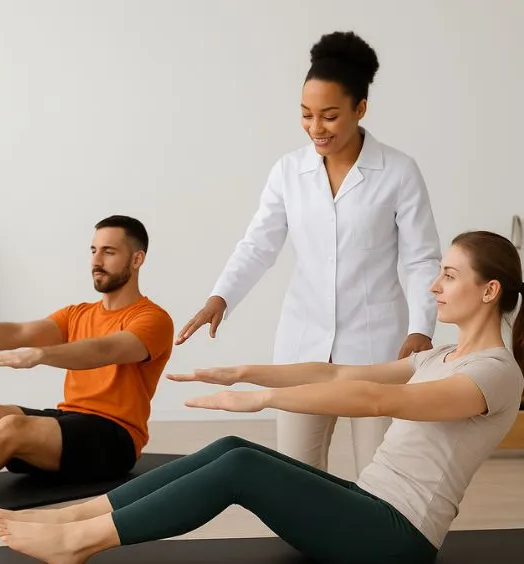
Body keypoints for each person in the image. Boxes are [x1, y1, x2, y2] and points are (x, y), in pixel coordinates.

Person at [0, 230, 524, 564]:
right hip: (369, 503)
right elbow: (340, 370)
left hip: (397, 535)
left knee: (241, 467)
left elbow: (378, 399)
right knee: (231, 447)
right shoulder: (440, 357)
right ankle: (75, 515)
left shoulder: (495, 373)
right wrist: (246, 369)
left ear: (489, 290)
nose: (435, 287)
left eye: (449, 276)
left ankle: (79, 544)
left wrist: (264, 399)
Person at [175, 31, 442, 475]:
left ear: (360, 109)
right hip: (303, 342)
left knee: (380, 473)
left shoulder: (398, 171)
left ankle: (372, 545)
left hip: (379, 348)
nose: (316, 128)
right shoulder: (288, 171)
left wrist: (420, 328)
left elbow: (420, 259)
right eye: (306, 115)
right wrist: (220, 297)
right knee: (295, 472)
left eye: (330, 116)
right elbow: (259, 243)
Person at [0, 215, 174, 508]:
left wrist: (41, 355)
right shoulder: (78, 313)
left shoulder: (152, 319)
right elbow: (20, 331)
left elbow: (104, 350)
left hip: (114, 440)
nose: (96, 260)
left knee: (13, 426)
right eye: (93, 250)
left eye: (109, 252)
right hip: (71, 419)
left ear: (137, 259)